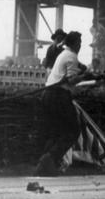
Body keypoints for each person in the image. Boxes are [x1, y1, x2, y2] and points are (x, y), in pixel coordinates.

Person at [35, 31, 88, 177]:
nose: (81, 45)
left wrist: (82, 72)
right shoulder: (71, 56)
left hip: (48, 94)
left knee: (56, 130)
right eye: (80, 43)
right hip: (59, 95)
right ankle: (49, 160)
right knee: (73, 130)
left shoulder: (63, 54)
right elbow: (71, 80)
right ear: (75, 44)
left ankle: (44, 164)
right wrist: (85, 77)